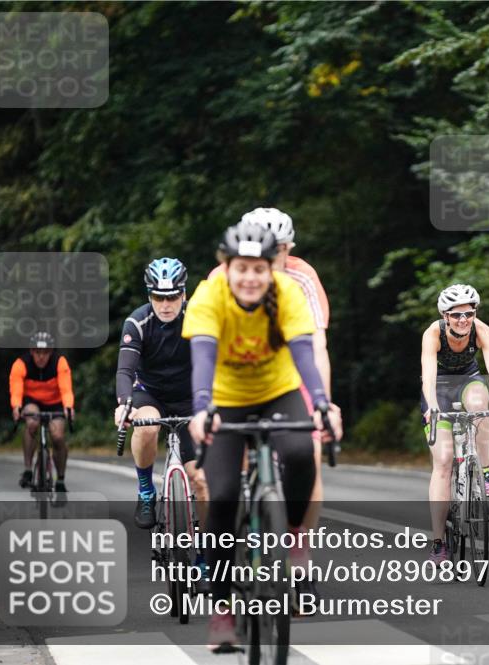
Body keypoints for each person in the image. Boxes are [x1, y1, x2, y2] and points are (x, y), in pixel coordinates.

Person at [184, 222, 342, 651]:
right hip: (224, 397)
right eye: (242, 268)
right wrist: (201, 409)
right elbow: (201, 355)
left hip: (279, 392)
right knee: (221, 499)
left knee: (301, 450)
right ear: (227, 268)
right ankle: (221, 611)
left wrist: (323, 404)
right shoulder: (209, 295)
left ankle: (289, 534)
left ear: (270, 269)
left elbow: (305, 355)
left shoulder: (287, 294)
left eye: (259, 268)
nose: (251, 277)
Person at [208, 208, 332, 534]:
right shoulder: (223, 277)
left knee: (311, 454)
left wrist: (325, 404)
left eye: (280, 249)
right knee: (225, 470)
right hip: (234, 377)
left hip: (289, 375)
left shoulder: (302, 278)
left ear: (289, 249)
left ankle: (299, 554)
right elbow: (207, 348)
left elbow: (316, 346)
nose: (273, 257)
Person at [420, 284, 489, 565]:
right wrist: (433, 406)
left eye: (469, 313)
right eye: (456, 315)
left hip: (468, 382)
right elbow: (428, 374)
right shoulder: (433, 333)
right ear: (445, 315)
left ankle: (485, 474)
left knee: (479, 408)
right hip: (438, 389)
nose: (463, 320)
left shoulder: (481, 330)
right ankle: (438, 542)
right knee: (444, 462)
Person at [113, 258, 207, 534]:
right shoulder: (138, 322)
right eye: (158, 297)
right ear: (149, 295)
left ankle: (207, 554)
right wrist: (123, 405)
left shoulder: (198, 318)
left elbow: (212, 364)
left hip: (189, 397)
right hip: (149, 394)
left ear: (184, 294)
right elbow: (124, 371)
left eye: (172, 297)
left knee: (200, 479)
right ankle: (145, 492)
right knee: (148, 426)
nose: (165, 304)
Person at [9, 331, 74, 492]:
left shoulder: (60, 362)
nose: (41, 357)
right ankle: (28, 470)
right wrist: (16, 406)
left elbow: (66, 389)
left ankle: (60, 479)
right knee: (31, 423)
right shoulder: (21, 364)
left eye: (45, 353)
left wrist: (68, 407)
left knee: (58, 437)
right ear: (31, 351)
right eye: (37, 352)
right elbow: (16, 389)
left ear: (51, 352)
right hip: (32, 402)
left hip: (55, 403)